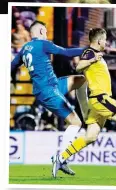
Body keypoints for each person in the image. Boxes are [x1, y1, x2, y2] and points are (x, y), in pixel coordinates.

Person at [51, 28, 116, 178]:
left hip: (97, 101)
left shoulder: (95, 54)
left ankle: (61, 159)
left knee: (91, 136)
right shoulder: (90, 52)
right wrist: (92, 59)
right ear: (99, 40)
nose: (106, 42)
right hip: (101, 99)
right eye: (105, 39)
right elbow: (78, 66)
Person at [11, 20, 92, 176]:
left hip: (53, 86)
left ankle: (87, 113)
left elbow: (12, 65)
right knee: (75, 122)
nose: (47, 34)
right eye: (46, 31)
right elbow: (66, 53)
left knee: (81, 80)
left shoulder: (24, 50)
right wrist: (88, 50)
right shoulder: (43, 44)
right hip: (48, 91)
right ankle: (61, 159)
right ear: (41, 31)